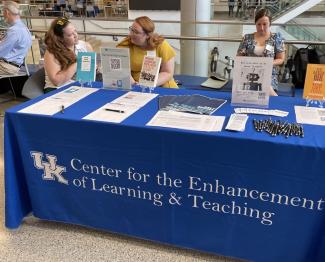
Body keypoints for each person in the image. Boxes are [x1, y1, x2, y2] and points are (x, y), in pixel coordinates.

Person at [117, 16, 178, 88]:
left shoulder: (160, 44)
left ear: (147, 35)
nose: (130, 34)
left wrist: (148, 84)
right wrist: (135, 85)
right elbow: (121, 70)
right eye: (131, 29)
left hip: (161, 82)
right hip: (134, 85)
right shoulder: (125, 45)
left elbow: (168, 72)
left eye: (135, 32)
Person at [237, 8, 285, 96]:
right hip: (249, 73)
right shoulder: (247, 38)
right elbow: (239, 57)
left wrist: (267, 63)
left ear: (270, 23)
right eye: (258, 24)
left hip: (269, 74)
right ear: (255, 24)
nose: (261, 28)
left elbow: (280, 59)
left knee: (265, 86)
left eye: (264, 24)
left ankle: (272, 94)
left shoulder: (276, 38)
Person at [44, 17, 93, 92]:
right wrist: (78, 64)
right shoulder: (51, 52)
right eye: (70, 35)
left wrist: (94, 68)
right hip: (56, 89)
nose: (76, 35)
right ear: (60, 39)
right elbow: (57, 82)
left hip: (79, 86)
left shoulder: (85, 46)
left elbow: (89, 74)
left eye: (75, 31)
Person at [0, 1, 32, 75]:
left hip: (6, 67)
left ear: (7, 12)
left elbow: (1, 52)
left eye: (3, 13)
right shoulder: (24, 28)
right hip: (13, 66)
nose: (3, 15)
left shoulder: (14, 31)